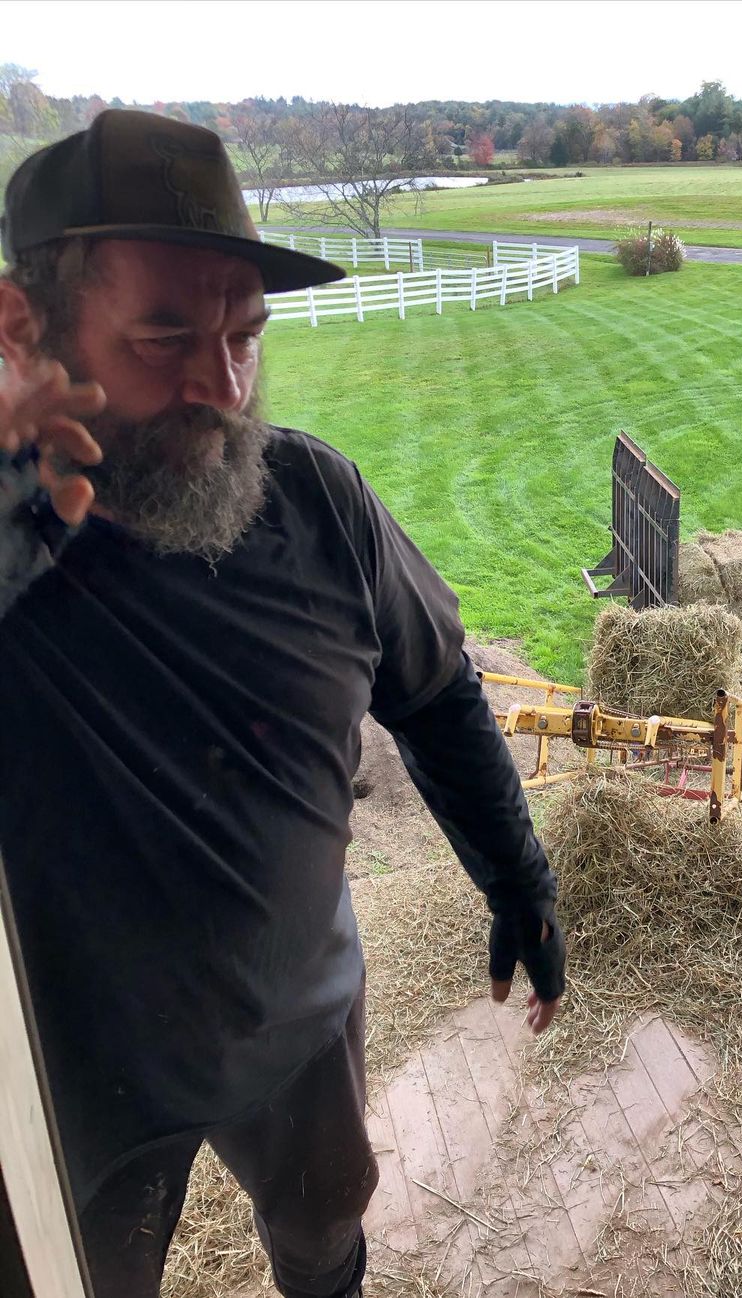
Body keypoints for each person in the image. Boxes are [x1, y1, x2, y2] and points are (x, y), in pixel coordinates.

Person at [0, 110, 566, 1298]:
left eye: (247, 334)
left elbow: (440, 695)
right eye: (164, 335)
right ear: (23, 326)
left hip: (300, 1024)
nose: (222, 383)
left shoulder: (318, 499)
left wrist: (520, 879)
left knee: (325, 1239)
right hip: (73, 1091)